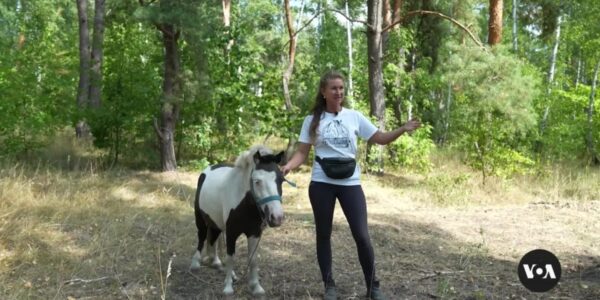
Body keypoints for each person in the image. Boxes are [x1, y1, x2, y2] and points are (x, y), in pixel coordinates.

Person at [281, 70, 421, 300]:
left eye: (341, 88)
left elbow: (381, 138)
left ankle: (373, 287)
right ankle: (329, 286)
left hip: (350, 183)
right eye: (334, 88)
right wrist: (288, 167)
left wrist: (402, 129)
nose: (339, 92)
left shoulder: (354, 117)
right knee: (323, 235)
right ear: (324, 92)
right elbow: (302, 153)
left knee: (362, 235)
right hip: (321, 183)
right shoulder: (312, 120)